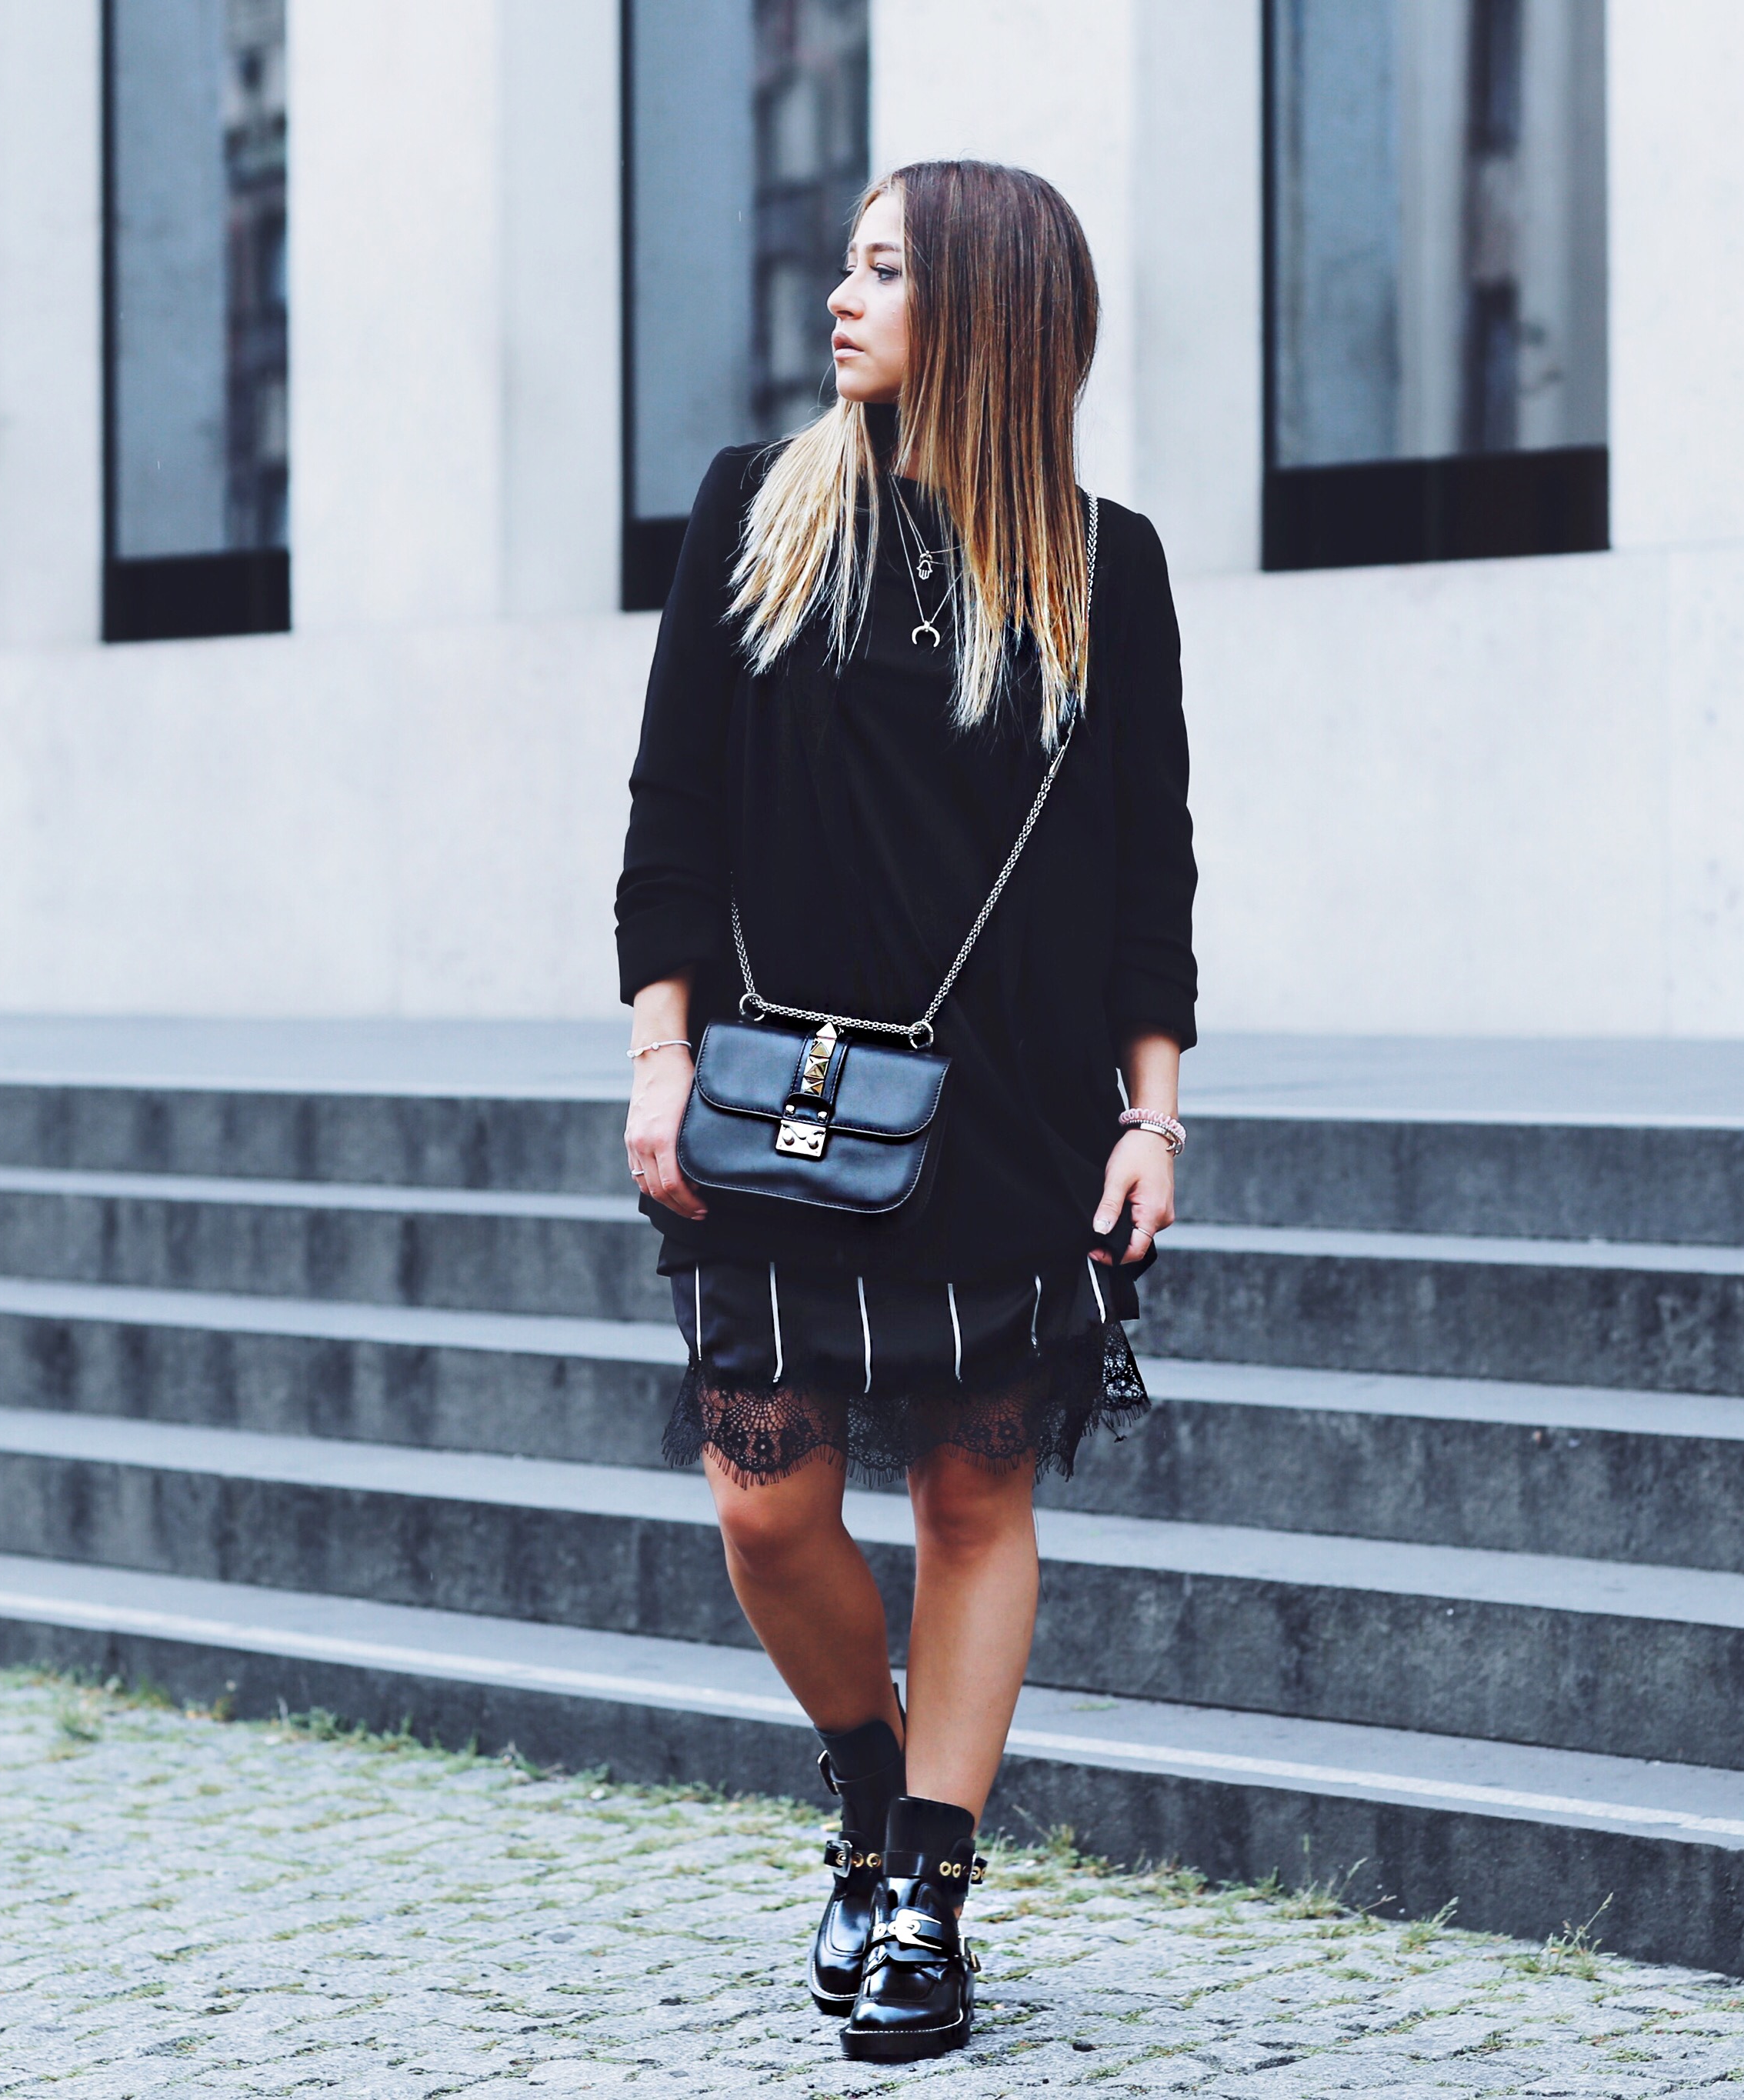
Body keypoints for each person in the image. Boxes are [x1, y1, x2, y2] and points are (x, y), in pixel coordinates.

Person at [612, 157, 1195, 2064]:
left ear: (984, 310)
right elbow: (671, 816)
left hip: (1015, 1112)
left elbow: (1148, 877)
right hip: (779, 1107)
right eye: (846, 264)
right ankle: (870, 1796)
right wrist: (656, 1055)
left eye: (881, 270)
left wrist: (1151, 1116)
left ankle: (924, 1892)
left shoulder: (1102, 568)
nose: (839, 298)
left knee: (968, 1493)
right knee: (763, 1501)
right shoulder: (757, 511)